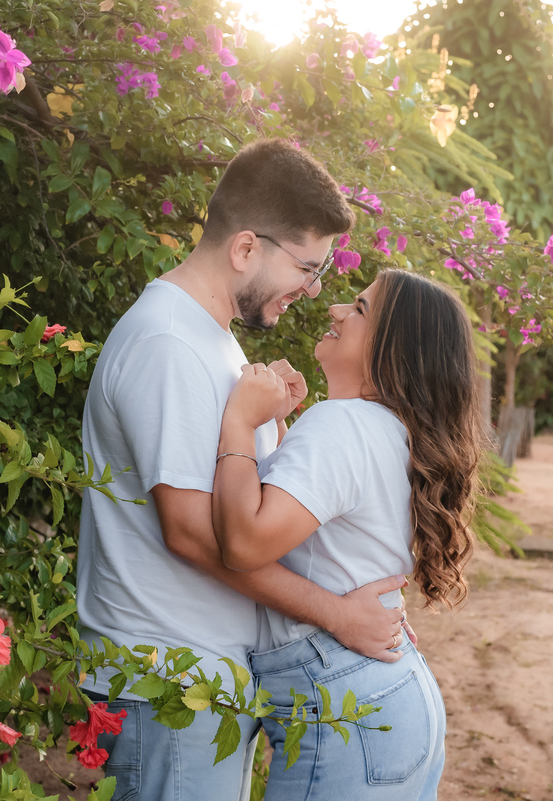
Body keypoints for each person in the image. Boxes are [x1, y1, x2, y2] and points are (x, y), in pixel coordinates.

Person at [76, 140, 414, 801]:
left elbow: (243, 502)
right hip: (167, 680)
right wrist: (337, 616)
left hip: (200, 680)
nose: (315, 291)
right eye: (307, 268)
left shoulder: (214, 338)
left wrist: (275, 423)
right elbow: (191, 531)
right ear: (245, 249)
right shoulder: (169, 342)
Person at [212, 269, 484, 800]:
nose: (336, 310)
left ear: (392, 350)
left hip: (346, 705)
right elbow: (320, 528)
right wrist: (281, 431)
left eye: (359, 309)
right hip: (390, 697)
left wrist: (241, 424)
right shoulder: (386, 429)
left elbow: (243, 543)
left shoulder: (342, 426)